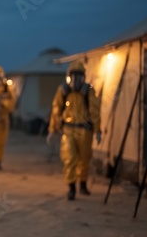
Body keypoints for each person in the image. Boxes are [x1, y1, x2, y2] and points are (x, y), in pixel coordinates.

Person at [46, 61, 101, 201]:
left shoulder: (88, 91)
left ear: (84, 77)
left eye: (79, 76)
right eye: (73, 76)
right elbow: (56, 109)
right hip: (68, 130)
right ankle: (71, 187)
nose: (76, 80)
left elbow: (94, 111)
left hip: (85, 131)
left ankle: (82, 183)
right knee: (69, 158)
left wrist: (97, 130)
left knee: (84, 158)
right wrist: (52, 129)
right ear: (68, 76)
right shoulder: (63, 90)